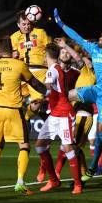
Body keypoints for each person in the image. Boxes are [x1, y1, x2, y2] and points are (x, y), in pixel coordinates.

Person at [53, 1, 102, 181]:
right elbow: (76, 37)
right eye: (101, 37)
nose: (100, 38)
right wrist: (61, 24)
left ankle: (93, 166)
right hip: (96, 89)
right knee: (67, 95)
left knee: (100, 131)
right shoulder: (94, 49)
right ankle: (55, 116)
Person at [0, 38, 47, 195]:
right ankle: (20, 182)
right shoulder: (19, 65)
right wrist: (49, 90)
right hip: (13, 109)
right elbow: (34, 83)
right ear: (12, 48)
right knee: (24, 146)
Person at [35, 43, 83, 194]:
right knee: (40, 146)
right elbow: (54, 92)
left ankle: (78, 184)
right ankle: (54, 180)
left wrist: (31, 82)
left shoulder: (52, 70)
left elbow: (47, 88)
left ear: (46, 56)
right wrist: (43, 100)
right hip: (55, 113)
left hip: (64, 115)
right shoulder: (57, 69)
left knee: (68, 148)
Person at [9, 11, 51, 182]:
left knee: (37, 102)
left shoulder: (40, 33)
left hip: (39, 72)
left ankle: (28, 118)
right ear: (18, 24)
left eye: (28, 23)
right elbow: (12, 55)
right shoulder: (14, 37)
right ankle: (28, 120)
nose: (26, 26)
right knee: (16, 103)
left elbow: (50, 53)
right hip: (21, 72)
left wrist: (51, 73)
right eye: (23, 24)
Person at [53, 38, 94, 180]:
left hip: (83, 115)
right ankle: (83, 175)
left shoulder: (89, 72)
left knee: (69, 146)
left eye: (88, 60)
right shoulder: (82, 74)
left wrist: (65, 45)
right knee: (74, 148)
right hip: (76, 114)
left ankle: (58, 173)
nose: (85, 61)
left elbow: (77, 57)